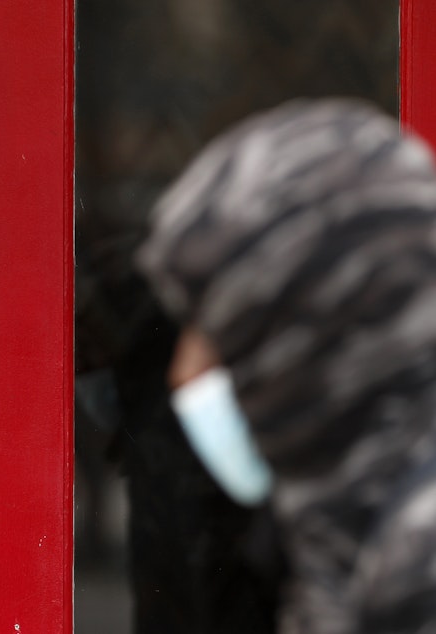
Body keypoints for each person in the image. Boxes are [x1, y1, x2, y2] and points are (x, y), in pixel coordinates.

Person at [135, 98, 436, 634]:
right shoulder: (338, 543)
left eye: (219, 332)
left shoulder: (413, 578)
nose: (182, 372)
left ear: (309, 345)